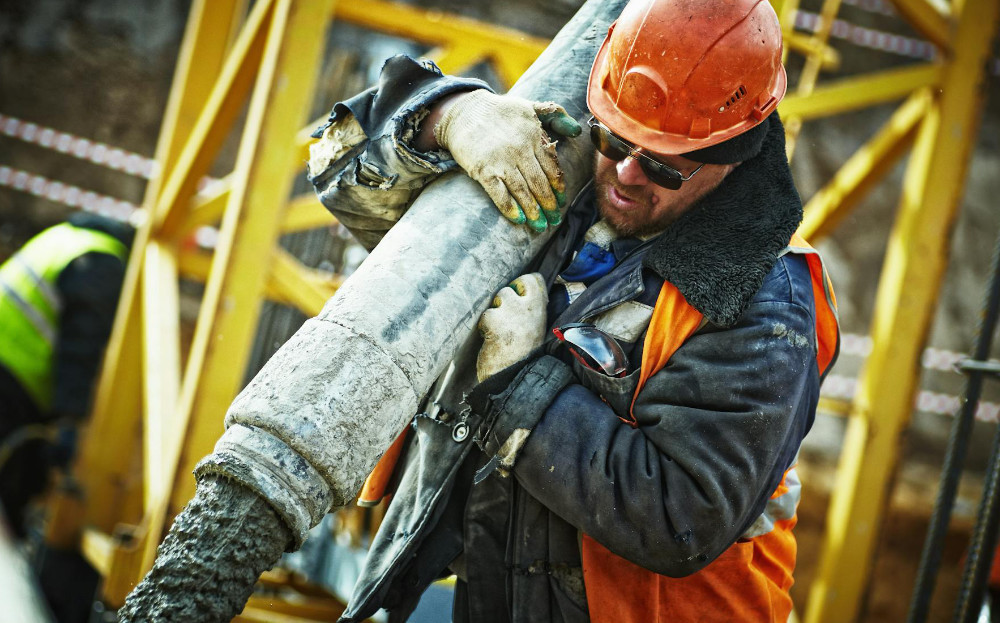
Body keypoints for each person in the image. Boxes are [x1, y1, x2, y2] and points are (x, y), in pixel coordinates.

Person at [306, 0, 840, 620]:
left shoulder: (768, 302)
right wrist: (447, 119)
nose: (626, 173)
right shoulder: (561, 158)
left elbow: (680, 515)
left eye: (664, 166)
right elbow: (337, 170)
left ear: (733, 155)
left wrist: (518, 382)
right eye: (615, 138)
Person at [0, 211, 132, 538]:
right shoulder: (102, 261)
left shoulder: (64, 236)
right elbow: (80, 349)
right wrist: (68, 420)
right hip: (13, 379)